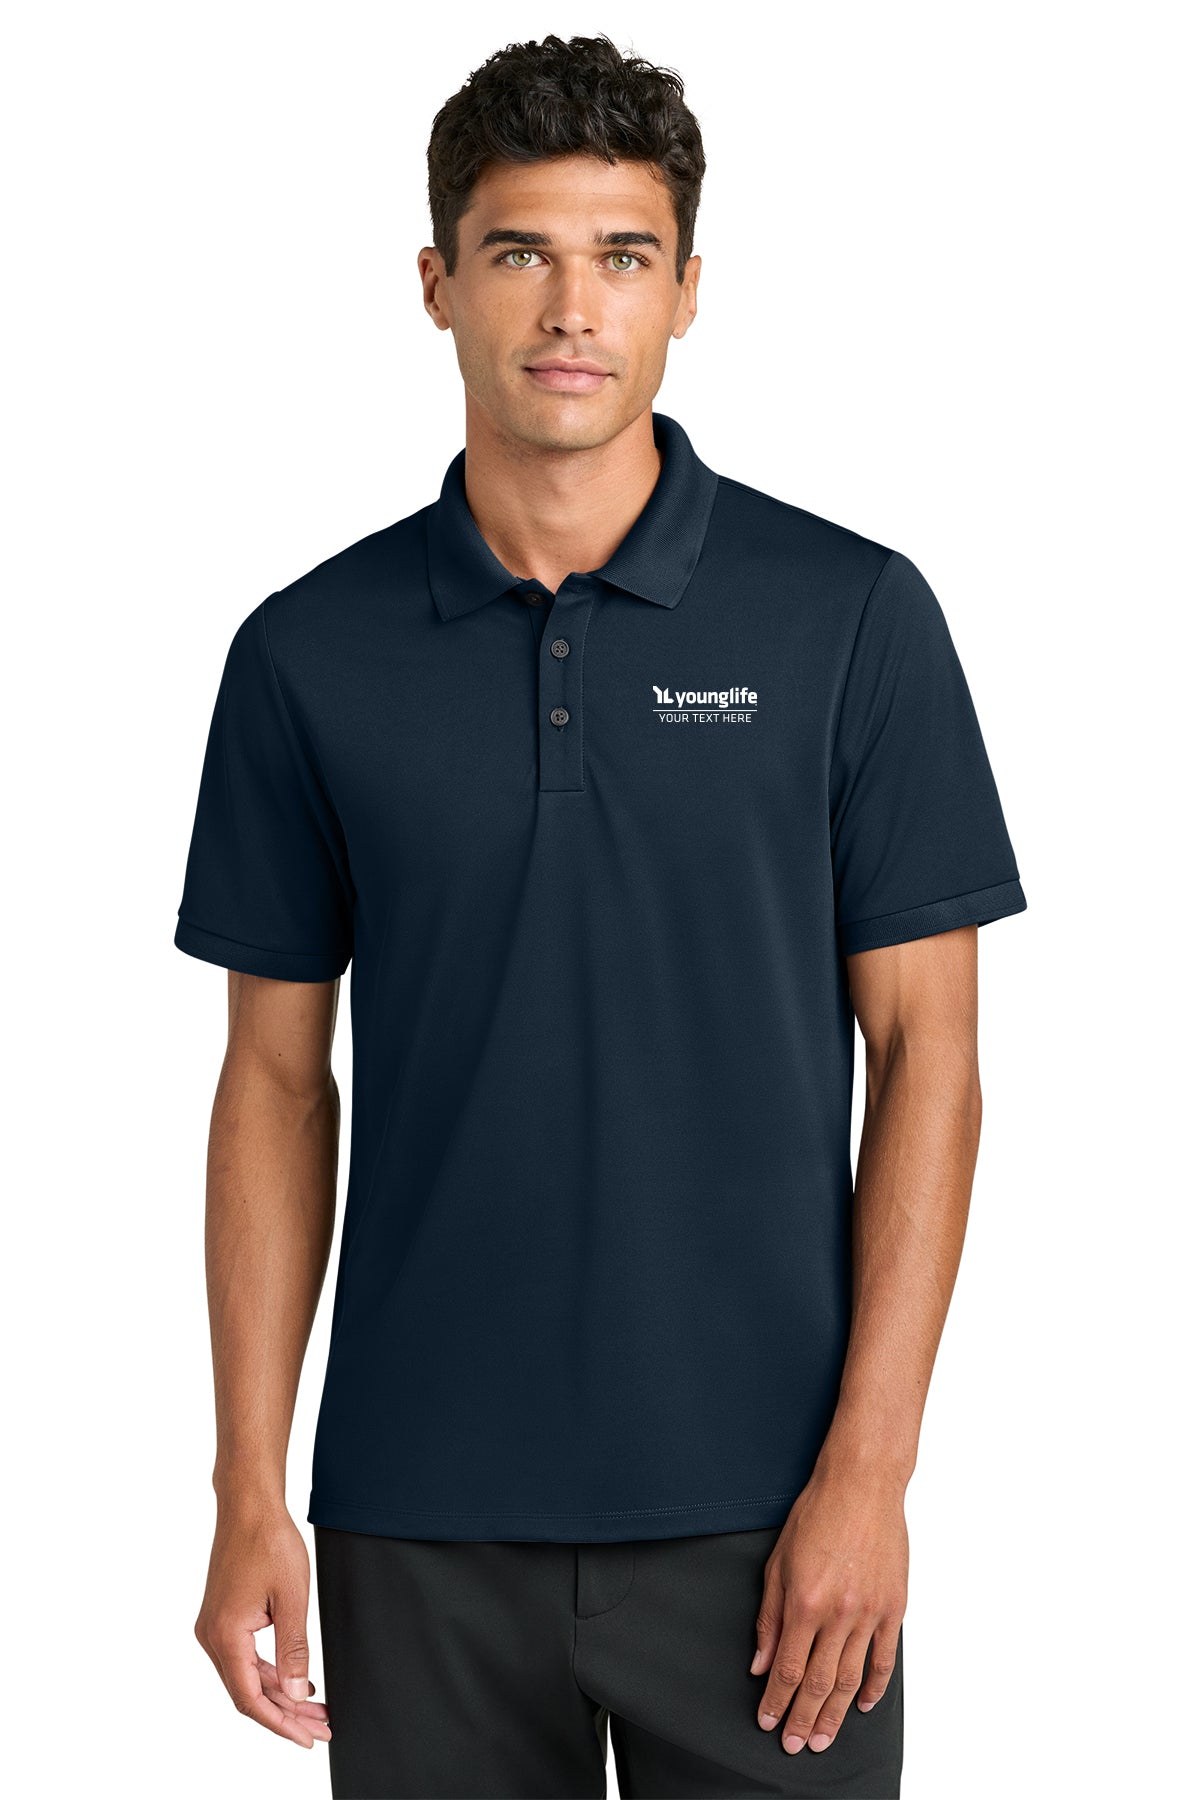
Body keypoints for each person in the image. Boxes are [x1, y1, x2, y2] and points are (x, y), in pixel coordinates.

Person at [174, 31, 1026, 1800]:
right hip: (417, 1519)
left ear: (689, 290)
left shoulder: (851, 619)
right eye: (520, 252)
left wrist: (871, 1476)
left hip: (772, 1525)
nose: (572, 309)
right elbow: (272, 1080)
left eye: (623, 256)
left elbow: (928, 1054)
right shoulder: (305, 655)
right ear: (437, 283)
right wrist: (250, 1483)